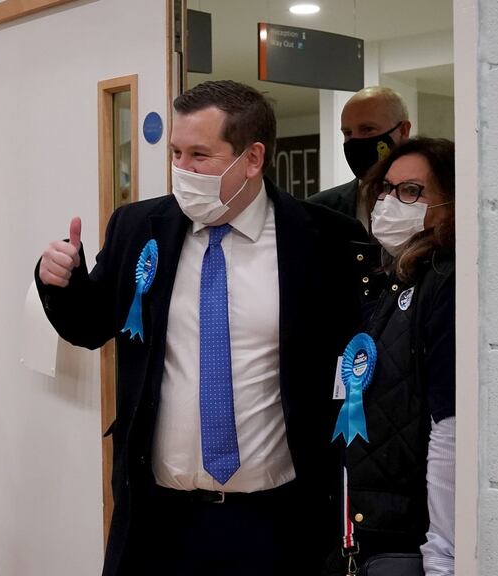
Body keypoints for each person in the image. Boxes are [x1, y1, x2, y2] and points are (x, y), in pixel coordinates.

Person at [36, 80, 369, 576]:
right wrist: (59, 281)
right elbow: (89, 326)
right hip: (160, 517)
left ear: (252, 159)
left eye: (199, 155)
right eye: (175, 152)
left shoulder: (325, 240)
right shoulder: (138, 227)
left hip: (276, 519)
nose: (181, 170)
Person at [326, 138, 455, 576]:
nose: (391, 201)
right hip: (361, 534)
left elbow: (450, 432)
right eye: (387, 188)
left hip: (410, 542)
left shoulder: (444, 281)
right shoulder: (391, 282)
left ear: (451, 202)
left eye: (412, 191)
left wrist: (444, 557)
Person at [310, 86, 412, 232]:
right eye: (348, 133)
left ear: (403, 131)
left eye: (368, 129)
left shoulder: (439, 201)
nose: (355, 141)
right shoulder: (317, 210)